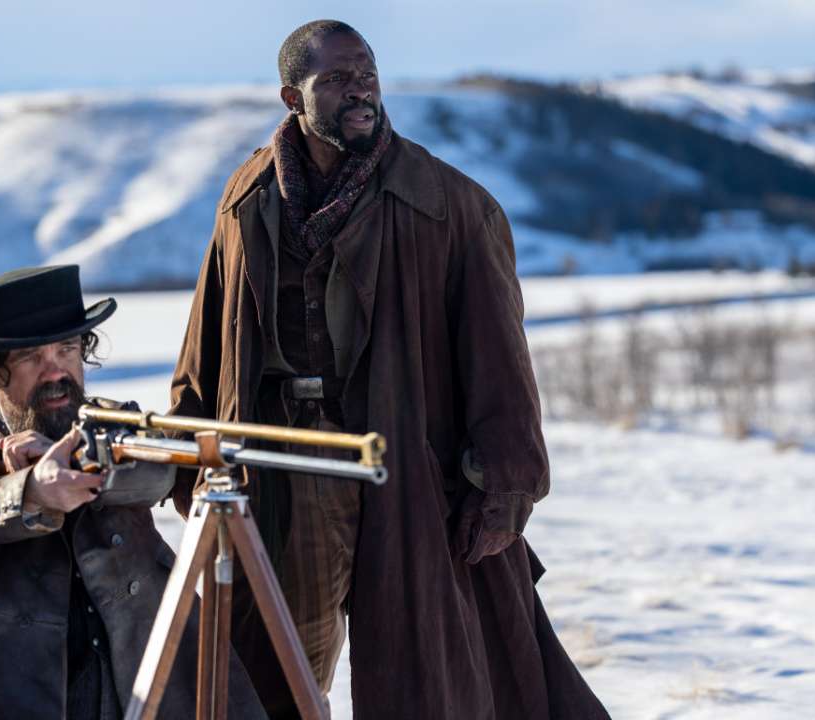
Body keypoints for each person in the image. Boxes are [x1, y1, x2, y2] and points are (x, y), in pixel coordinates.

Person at [169, 20, 609, 719]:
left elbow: (503, 367)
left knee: (427, 682)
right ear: (293, 97)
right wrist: (192, 457)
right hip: (282, 473)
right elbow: (207, 341)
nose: (361, 88)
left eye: (367, 71)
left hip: (410, 477)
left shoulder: (451, 206)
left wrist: (504, 488)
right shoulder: (246, 198)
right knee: (275, 679)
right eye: (337, 79)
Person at [0, 265, 265, 720]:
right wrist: (32, 491)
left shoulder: (116, 421)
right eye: (29, 357)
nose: (55, 372)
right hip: (24, 673)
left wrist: (88, 466)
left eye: (67, 349)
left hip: (138, 650)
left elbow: (160, 471)